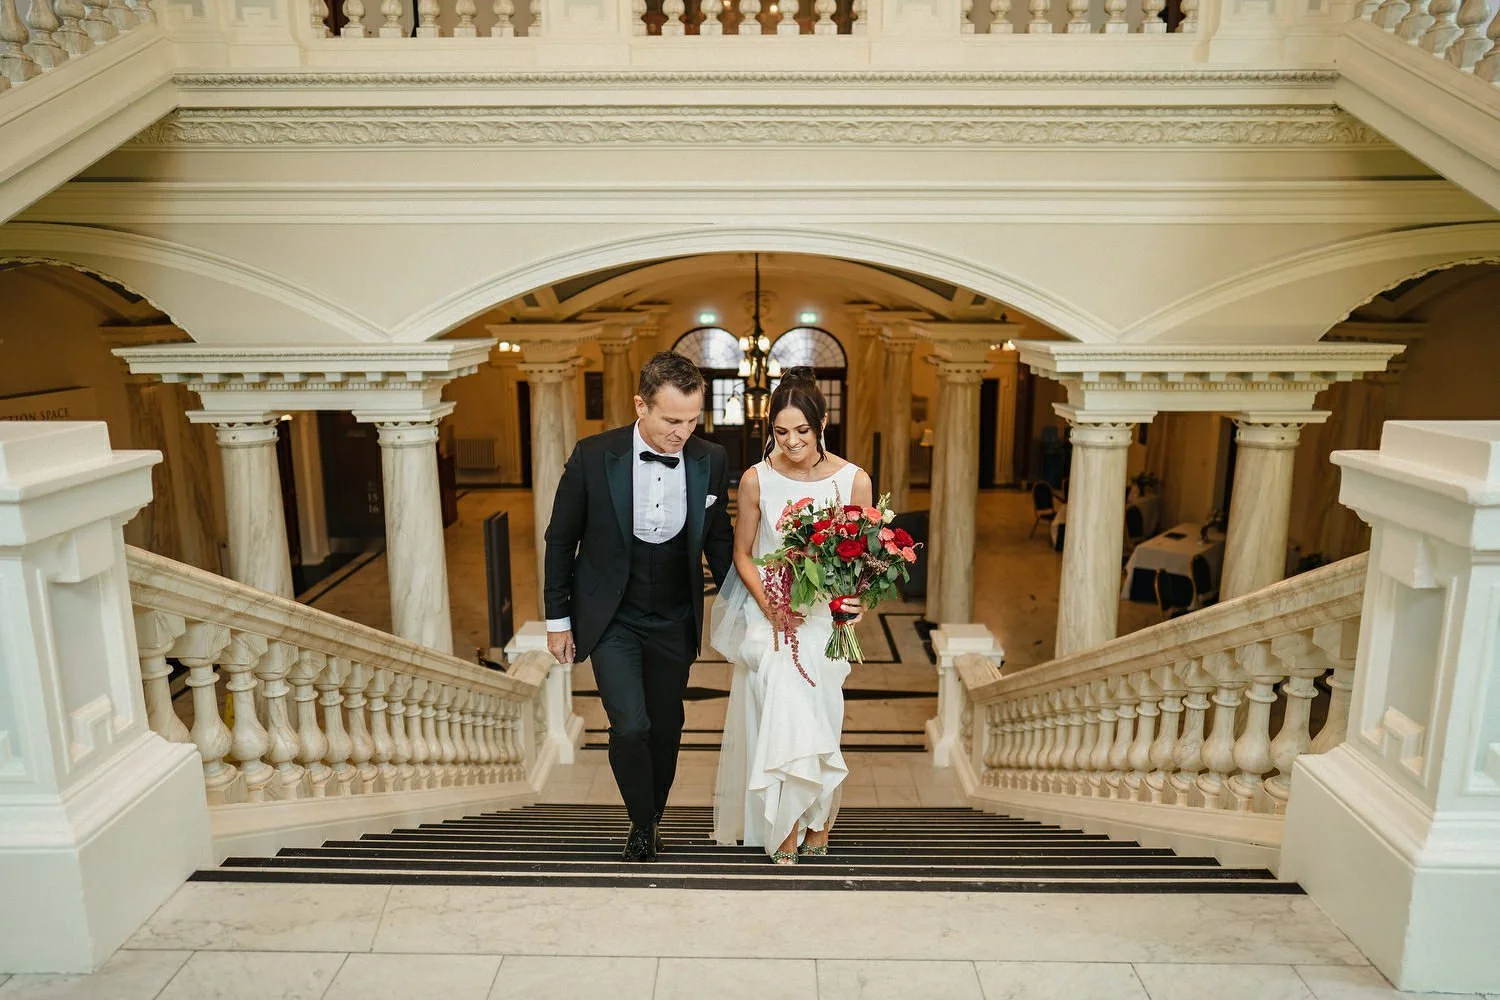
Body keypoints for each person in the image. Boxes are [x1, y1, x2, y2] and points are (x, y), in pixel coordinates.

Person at [543, 352, 734, 862]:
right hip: (612, 616)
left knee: (667, 725)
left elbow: (718, 540)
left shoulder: (710, 459)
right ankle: (640, 821)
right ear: (640, 406)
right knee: (630, 724)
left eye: (693, 420)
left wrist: (751, 603)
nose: (683, 432)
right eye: (672, 420)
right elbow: (561, 541)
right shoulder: (592, 455)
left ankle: (653, 814)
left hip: (675, 614)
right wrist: (557, 619)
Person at [710, 368, 871, 864]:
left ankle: (818, 818)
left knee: (822, 711)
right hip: (772, 612)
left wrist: (856, 600)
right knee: (783, 685)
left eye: (802, 430)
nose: (792, 441)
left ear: (821, 425)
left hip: (824, 619)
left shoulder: (852, 479)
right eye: (781, 432)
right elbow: (742, 554)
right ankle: (786, 825)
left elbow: (862, 557)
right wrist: (771, 605)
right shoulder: (757, 478)